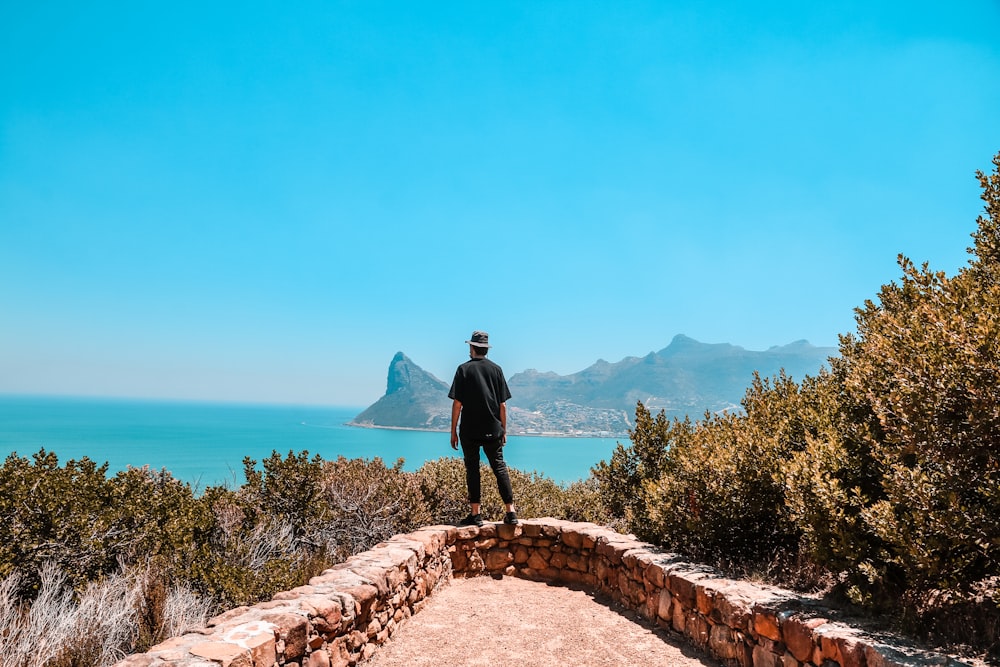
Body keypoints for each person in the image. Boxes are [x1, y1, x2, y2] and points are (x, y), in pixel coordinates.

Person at [448, 330, 518, 527]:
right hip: (493, 428)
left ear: (472, 347)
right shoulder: (497, 370)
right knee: (499, 466)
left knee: (472, 469)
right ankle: (510, 511)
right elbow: (503, 405)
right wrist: (504, 429)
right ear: (485, 349)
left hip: (470, 430)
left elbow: (457, 404)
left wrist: (453, 431)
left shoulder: (463, 369)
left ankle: (475, 514)